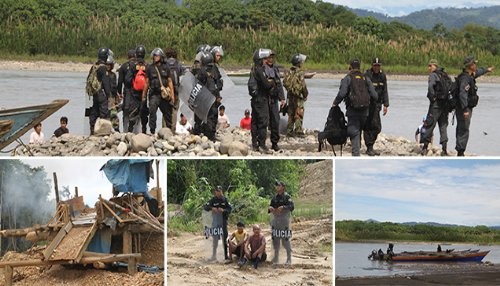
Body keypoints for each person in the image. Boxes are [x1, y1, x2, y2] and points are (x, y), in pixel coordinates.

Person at [333, 59, 378, 156]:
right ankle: (359, 150)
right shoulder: (366, 78)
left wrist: (335, 103)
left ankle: (356, 154)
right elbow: (375, 95)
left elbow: (342, 93)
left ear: (350, 67)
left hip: (353, 111)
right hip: (365, 112)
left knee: (355, 133)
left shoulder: (347, 78)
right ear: (359, 67)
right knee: (359, 130)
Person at [247, 48, 285, 153]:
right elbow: (266, 84)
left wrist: (282, 98)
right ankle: (260, 144)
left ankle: (272, 143)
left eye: (271, 57)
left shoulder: (273, 69)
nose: (269, 59)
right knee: (262, 121)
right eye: (267, 57)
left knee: (274, 121)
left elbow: (279, 84)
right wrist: (270, 83)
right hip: (263, 99)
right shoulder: (260, 69)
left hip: (270, 98)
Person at [455, 56, 493, 156]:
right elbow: (462, 94)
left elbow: (479, 72)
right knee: (463, 129)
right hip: (464, 108)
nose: (476, 65)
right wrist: (465, 109)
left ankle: (460, 149)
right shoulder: (465, 78)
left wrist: (486, 70)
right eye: (474, 64)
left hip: (466, 107)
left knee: (463, 128)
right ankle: (460, 152)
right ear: (470, 66)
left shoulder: (470, 75)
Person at [420, 59, 451, 156]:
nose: (429, 68)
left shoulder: (433, 75)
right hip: (445, 105)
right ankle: (444, 149)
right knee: (443, 126)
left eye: (430, 66)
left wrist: (433, 98)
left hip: (436, 105)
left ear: (435, 66)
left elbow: (430, 87)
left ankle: (425, 148)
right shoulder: (445, 75)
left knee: (429, 124)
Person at [143, 47, 175, 134]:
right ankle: (152, 131)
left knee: (167, 113)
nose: (155, 57)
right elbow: (147, 82)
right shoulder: (150, 68)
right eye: (154, 56)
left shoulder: (166, 67)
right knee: (152, 112)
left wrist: (172, 95)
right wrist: (144, 95)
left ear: (161, 57)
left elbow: (169, 81)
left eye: (157, 56)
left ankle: (169, 130)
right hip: (154, 94)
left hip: (164, 95)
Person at [363, 57, 389, 156]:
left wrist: (386, 105)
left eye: (378, 66)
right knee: (368, 126)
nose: (377, 67)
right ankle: (369, 147)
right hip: (368, 105)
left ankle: (370, 146)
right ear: (372, 65)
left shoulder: (383, 76)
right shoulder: (367, 75)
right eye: (375, 66)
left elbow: (385, 91)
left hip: (377, 105)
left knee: (377, 127)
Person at [268, 181, 294, 266]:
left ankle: (289, 258)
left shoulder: (287, 197)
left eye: (279, 185)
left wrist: (283, 207)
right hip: (275, 221)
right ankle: (276, 258)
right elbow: (270, 207)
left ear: (283, 187)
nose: (277, 187)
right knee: (275, 240)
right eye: (276, 185)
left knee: (285, 240)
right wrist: (270, 208)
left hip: (285, 222)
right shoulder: (274, 198)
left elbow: (292, 207)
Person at [203, 185, 232, 261]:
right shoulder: (213, 200)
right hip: (215, 222)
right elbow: (205, 207)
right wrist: (212, 208)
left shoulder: (225, 200)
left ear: (221, 191)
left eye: (219, 191)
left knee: (224, 239)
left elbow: (230, 209)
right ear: (215, 192)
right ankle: (214, 255)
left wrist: (223, 210)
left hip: (223, 222)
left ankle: (226, 256)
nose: (218, 193)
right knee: (215, 239)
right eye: (217, 191)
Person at [284, 53, 308, 137]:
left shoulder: (289, 71)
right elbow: (303, 85)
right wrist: (305, 94)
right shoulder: (300, 72)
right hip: (299, 96)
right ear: (299, 63)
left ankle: (289, 130)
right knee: (299, 113)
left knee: (290, 113)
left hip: (290, 95)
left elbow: (286, 83)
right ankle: (298, 131)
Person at [89, 47, 113, 135]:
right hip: (101, 94)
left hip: (95, 93)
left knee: (94, 112)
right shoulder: (103, 68)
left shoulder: (94, 66)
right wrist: (109, 96)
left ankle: (92, 130)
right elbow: (106, 83)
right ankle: (102, 132)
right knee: (104, 113)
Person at [126, 45, 147, 133]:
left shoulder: (133, 65)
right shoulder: (147, 65)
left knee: (133, 112)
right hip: (144, 93)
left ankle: (130, 131)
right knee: (144, 112)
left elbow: (128, 79)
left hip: (134, 92)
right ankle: (144, 130)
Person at [164, 48, 184, 132]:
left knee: (165, 110)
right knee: (174, 110)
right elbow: (184, 74)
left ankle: (164, 129)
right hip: (176, 90)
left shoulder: (164, 64)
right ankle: (172, 129)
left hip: (166, 91)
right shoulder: (178, 64)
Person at [117, 49, 136, 132]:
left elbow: (120, 81)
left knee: (126, 110)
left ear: (128, 57)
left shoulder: (124, 66)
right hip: (137, 91)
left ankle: (125, 130)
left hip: (127, 90)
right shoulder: (138, 65)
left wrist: (119, 93)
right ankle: (135, 130)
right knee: (135, 109)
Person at [106, 57, 120, 132]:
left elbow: (114, 87)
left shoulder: (113, 75)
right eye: (106, 64)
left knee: (113, 113)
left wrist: (117, 96)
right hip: (104, 97)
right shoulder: (103, 74)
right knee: (107, 114)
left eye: (109, 65)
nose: (108, 66)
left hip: (112, 97)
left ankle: (116, 128)